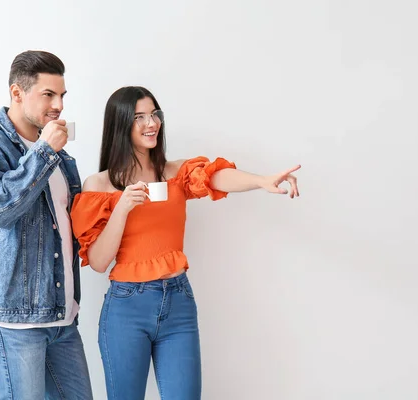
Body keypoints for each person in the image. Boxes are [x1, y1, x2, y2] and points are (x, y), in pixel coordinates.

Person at [70, 86, 299, 400]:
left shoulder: (175, 172)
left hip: (178, 302)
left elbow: (216, 177)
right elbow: (97, 262)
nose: (151, 123)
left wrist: (261, 181)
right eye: (139, 117)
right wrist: (122, 207)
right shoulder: (100, 184)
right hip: (126, 307)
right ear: (120, 125)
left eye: (154, 114)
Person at [0, 50, 93, 399]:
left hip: (62, 319)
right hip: (12, 321)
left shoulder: (60, 156)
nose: (59, 105)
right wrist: (45, 152)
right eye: (48, 94)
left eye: (62, 95)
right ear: (17, 93)